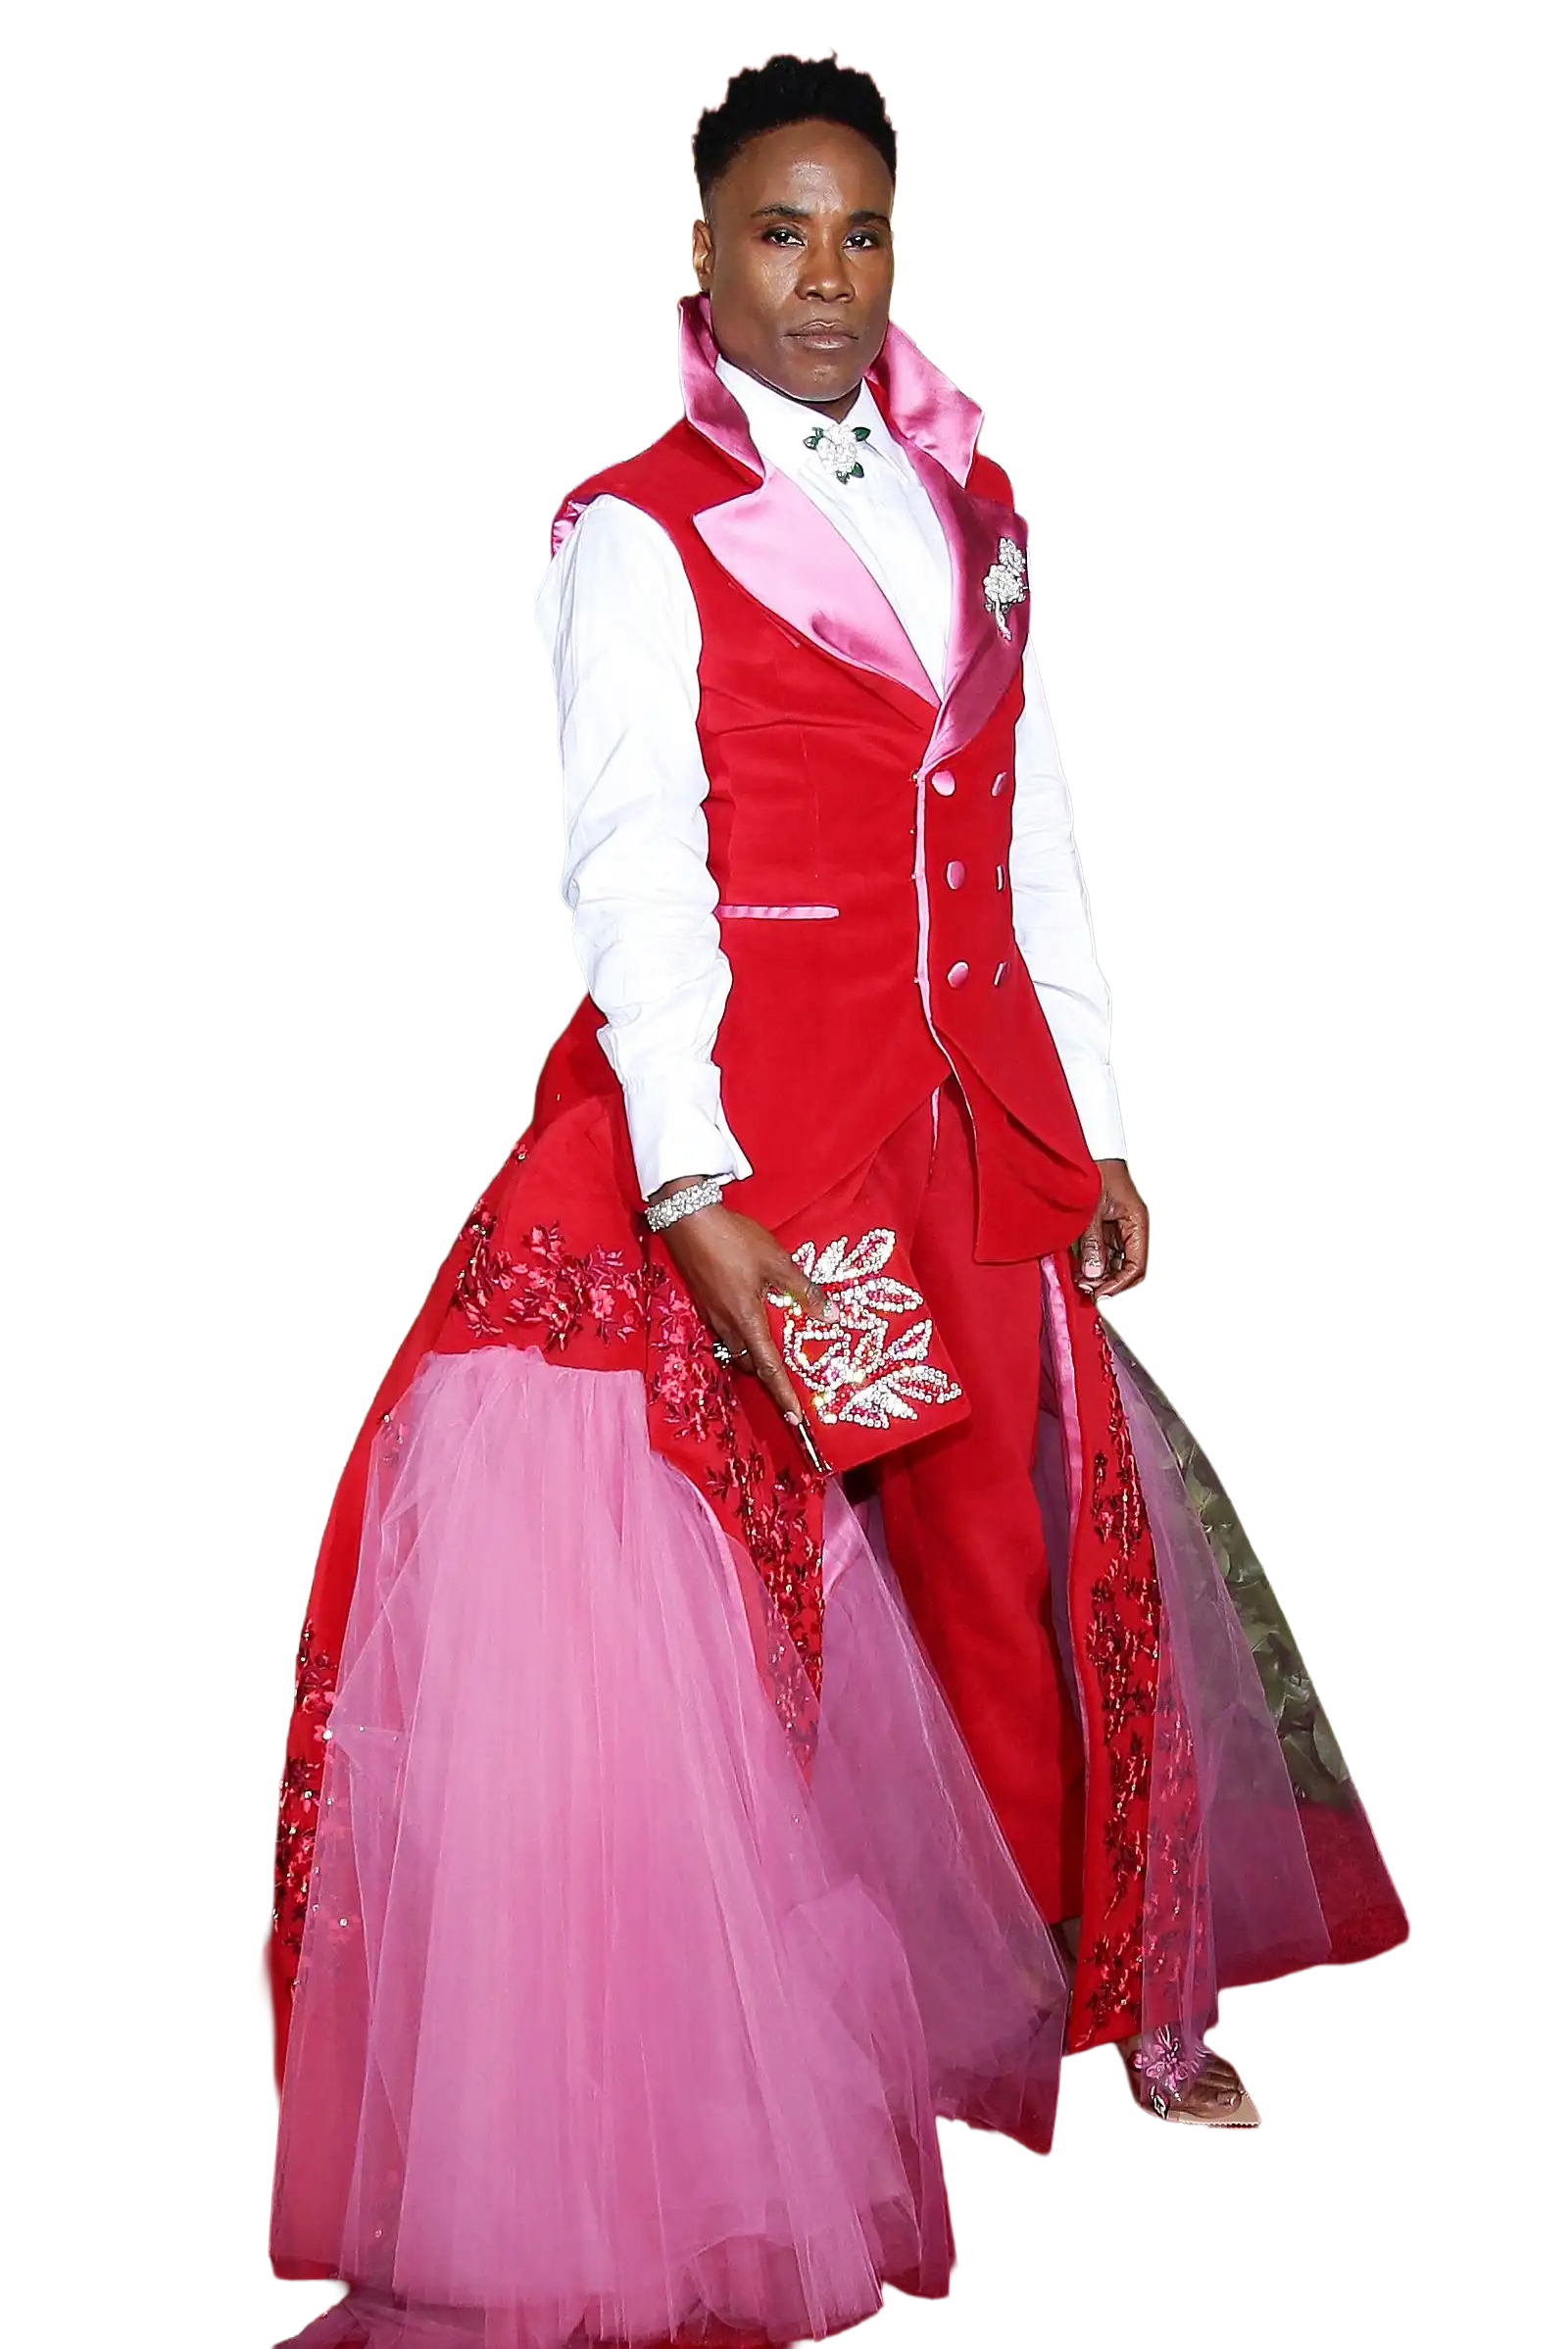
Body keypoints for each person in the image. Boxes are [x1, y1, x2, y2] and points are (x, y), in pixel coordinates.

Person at [258, 50, 1411, 2349]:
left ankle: (1093, 2014)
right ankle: (789, 2063)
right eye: (776, 232)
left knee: (1026, 1556)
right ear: (697, 248)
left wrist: (1085, 1113)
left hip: (965, 1122)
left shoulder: (973, 494)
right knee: (758, 1616)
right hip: (761, 1137)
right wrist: (687, 1180)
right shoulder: (628, 533)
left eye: (858, 233)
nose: (821, 278)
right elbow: (630, 877)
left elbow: (1034, 832)